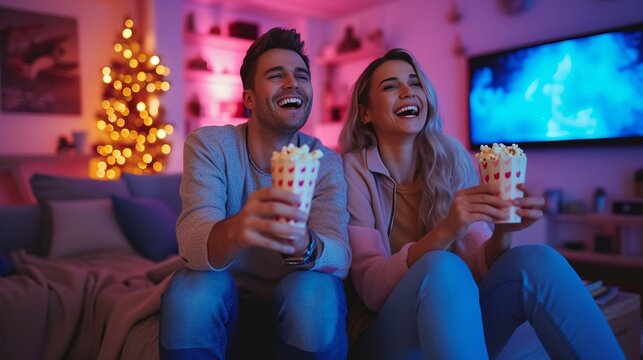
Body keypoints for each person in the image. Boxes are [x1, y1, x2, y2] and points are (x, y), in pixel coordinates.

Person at [339, 48, 623, 359]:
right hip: (384, 336)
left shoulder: (452, 160)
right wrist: (445, 232)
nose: (408, 92)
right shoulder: (351, 170)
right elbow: (371, 290)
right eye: (391, 86)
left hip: (452, 322)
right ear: (365, 113)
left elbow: (479, 266)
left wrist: (503, 230)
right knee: (442, 266)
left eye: (415, 82)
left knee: (536, 260)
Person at [159, 28, 351, 359]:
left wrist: (306, 246)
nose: (293, 83)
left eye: (301, 76)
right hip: (228, 303)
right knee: (192, 288)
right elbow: (191, 243)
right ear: (249, 98)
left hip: (296, 300)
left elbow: (341, 257)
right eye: (277, 76)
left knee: (314, 288)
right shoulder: (210, 146)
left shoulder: (326, 163)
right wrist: (240, 226)